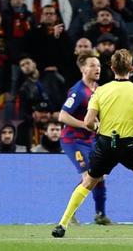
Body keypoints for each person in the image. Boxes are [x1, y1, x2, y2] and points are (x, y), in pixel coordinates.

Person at [51, 49, 133, 239]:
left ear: (111, 68)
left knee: (88, 181)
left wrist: (98, 127)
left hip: (105, 144)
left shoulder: (100, 91)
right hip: (129, 144)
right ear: (131, 68)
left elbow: (88, 122)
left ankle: (62, 224)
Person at [57, 51, 111, 225]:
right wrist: (86, 124)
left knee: (99, 175)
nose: (97, 68)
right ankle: (70, 215)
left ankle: (101, 215)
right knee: (89, 175)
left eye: (99, 65)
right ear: (83, 69)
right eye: (92, 65)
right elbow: (63, 116)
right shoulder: (78, 91)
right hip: (73, 140)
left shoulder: (99, 90)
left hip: (92, 140)